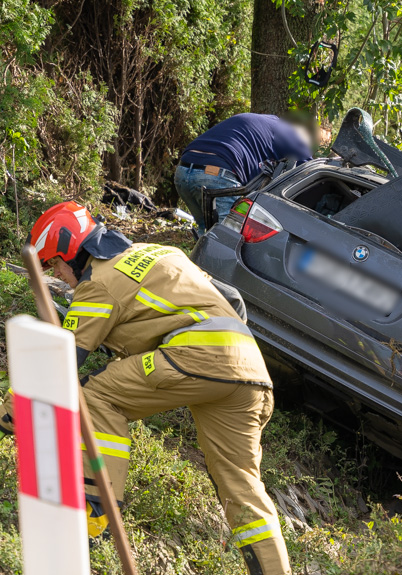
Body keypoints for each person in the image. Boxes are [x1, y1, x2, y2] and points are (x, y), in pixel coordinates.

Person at [0, 201, 291, 575]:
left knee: (92, 395)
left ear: (71, 252)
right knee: (242, 487)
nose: (57, 274)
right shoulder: (161, 254)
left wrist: (8, 417)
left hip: (198, 357)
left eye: (54, 263)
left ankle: (95, 515)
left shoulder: (99, 284)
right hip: (249, 369)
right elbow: (231, 299)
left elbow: (58, 367)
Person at [175, 113, 313, 232]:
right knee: (228, 236)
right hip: (216, 174)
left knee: (205, 231)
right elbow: (310, 170)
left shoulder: (266, 124)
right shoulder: (293, 136)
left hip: (183, 170)